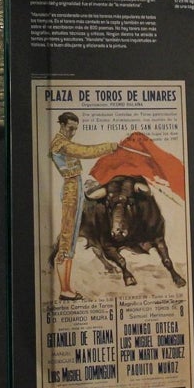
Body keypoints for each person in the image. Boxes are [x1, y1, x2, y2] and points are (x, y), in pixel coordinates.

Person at [48, 112, 117, 300]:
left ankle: (66, 288)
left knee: (70, 241)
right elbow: (85, 151)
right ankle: (64, 290)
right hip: (71, 190)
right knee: (67, 240)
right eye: (70, 128)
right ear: (61, 125)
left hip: (75, 188)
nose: (73, 132)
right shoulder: (60, 143)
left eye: (75, 129)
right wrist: (109, 147)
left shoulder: (62, 141)